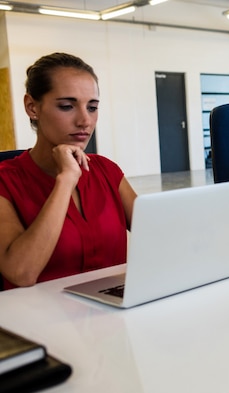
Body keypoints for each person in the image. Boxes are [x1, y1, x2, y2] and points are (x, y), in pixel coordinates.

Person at [0, 52, 137, 290]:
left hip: (113, 313)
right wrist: (65, 180)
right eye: (66, 106)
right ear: (32, 107)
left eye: (92, 107)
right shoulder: (5, 181)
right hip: (38, 320)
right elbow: (21, 273)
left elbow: (163, 236)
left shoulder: (107, 170)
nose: (85, 120)